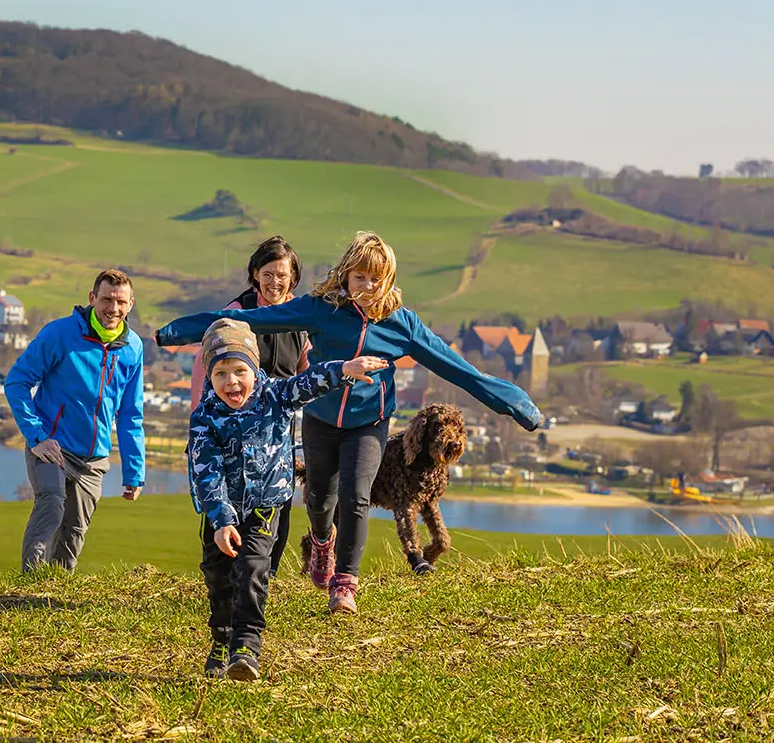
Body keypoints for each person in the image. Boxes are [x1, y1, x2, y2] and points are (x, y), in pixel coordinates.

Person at [158, 231, 541, 614]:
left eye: (376, 278)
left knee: (356, 496)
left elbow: (459, 370)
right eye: (360, 277)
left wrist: (515, 404)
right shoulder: (321, 309)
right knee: (321, 499)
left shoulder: (401, 325)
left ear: (388, 280)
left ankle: (345, 585)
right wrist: (176, 333)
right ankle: (322, 541)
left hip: (368, 423)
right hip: (321, 419)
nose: (367, 286)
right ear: (345, 275)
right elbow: (250, 319)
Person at [189, 317, 387, 681]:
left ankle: (247, 645)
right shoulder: (205, 417)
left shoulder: (275, 396)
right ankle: (220, 638)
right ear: (209, 377)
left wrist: (344, 368)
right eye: (219, 374)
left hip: (266, 502)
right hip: (222, 512)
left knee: (252, 568)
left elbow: (308, 382)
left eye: (238, 370)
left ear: (254, 367)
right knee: (218, 576)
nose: (231, 382)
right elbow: (206, 472)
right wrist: (221, 520)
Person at [6, 269, 145, 573]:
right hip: (51, 446)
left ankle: (57, 594)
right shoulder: (60, 334)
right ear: (92, 298)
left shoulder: (133, 348)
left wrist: (135, 472)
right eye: (107, 299)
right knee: (51, 506)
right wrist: (37, 437)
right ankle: (31, 586)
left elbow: (131, 414)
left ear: (131, 303)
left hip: (94, 459)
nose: (113, 308)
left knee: (74, 531)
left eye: (121, 301)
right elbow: (16, 382)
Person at [187, 236, 309, 578]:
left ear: (293, 278)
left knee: (279, 500)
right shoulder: (237, 314)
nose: (275, 282)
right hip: (229, 422)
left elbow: (305, 365)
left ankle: (262, 575)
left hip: (278, 426)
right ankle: (222, 573)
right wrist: (200, 418)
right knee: (223, 493)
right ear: (255, 274)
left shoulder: (299, 315)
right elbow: (203, 363)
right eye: (267, 274)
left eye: (282, 275)